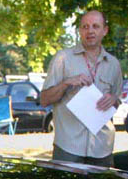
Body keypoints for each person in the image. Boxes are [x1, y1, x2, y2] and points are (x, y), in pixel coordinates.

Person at [41, 10, 123, 166]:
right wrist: (66, 83)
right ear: (79, 31)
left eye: (95, 26)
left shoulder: (114, 64)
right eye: (85, 27)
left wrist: (113, 100)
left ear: (105, 30)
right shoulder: (63, 58)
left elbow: (117, 101)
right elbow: (44, 100)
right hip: (68, 147)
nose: (90, 31)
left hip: (102, 148)